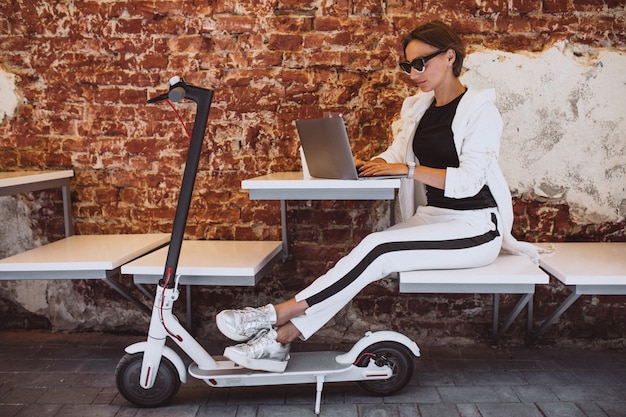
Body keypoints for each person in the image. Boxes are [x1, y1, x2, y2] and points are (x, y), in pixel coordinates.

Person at [216, 20, 539, 373]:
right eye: (408, 65)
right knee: (369, 254)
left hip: (475, 228)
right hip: (435, 217)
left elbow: (470, 181)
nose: (414, 73)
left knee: (377, 248)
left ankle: (274, 315)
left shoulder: (480, 111)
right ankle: (280, 340)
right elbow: (397, 154)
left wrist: (407, 170)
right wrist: (369, 165)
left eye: (421, 63)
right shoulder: (419, 109)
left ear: (450, 56)